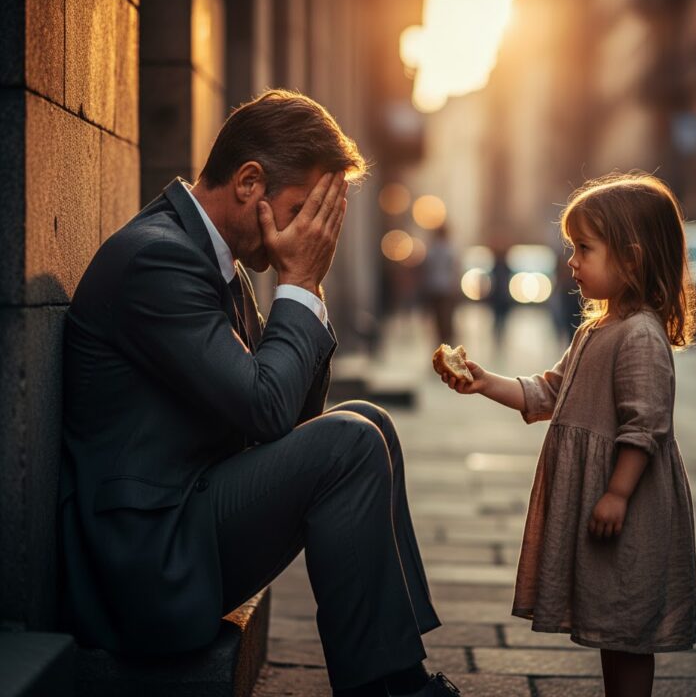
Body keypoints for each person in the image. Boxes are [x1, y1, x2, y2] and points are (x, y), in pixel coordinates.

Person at [57, 90, 462, 697]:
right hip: (142, 567)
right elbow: (270, 407)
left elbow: (286, 419)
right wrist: (300, 283)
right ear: (250, 182)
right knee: (349, 441)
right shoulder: (158, 260)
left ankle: (393, 669)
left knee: (365, 421)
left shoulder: (215, 260)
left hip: (184, 522)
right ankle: (388, 689)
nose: (309, 231)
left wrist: (304, 290)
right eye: (302, 207)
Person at [434, 173, 696, 697]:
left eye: (584, 249)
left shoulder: (641, 335)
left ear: (631, 256)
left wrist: (618, 492)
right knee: (610, 623)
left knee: (629, 627)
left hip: (628, 503)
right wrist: (485, 381)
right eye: (572, 248)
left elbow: (645, 424)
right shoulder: (594, 328)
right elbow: (549, 392)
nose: (571, 262)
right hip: (600, 498)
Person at [422, 224, 460, 344]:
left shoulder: (432, 250)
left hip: (434, 288)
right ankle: (447, 342)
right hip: (446, 289)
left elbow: (427, 269)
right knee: (447, 318)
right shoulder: (450, 250)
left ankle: (440, 343)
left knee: (438, 319)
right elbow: (454, 269)